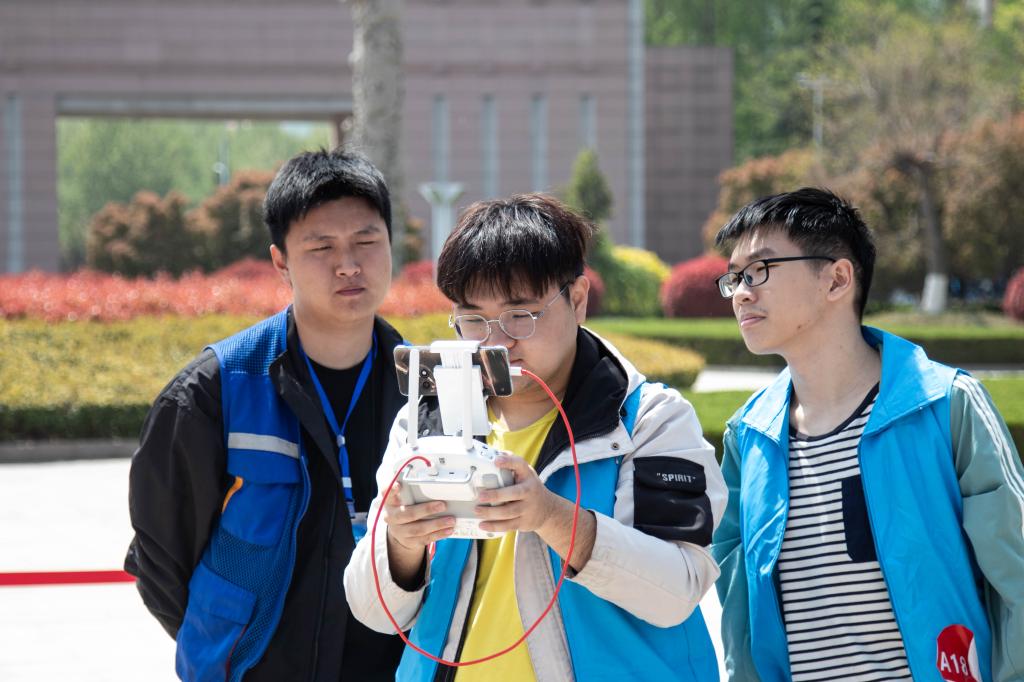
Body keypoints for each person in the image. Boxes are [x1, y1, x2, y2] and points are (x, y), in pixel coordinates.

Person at [344, 193, 726, 681]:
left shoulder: (648, 421)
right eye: (474, 320)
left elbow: (678, 590)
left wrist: (549, 516)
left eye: (520, 315)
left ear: (578, 299)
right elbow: (372, 611)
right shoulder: (425, 422)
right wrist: (401, 542)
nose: (497, 342)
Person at [710, 187, 1024, 682]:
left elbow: (1016, 579)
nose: (742, 293)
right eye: (734, 278)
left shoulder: (947, 406)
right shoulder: (748, 439)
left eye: (761, 270)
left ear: (837, 279)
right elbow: (739, 620)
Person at [124, 149, 408, 681]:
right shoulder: (214, 391)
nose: (349, 265)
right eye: (321, 247)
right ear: (281, 262)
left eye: (367, 241)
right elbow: (160, 558)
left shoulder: (422, 389)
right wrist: (225, 648)